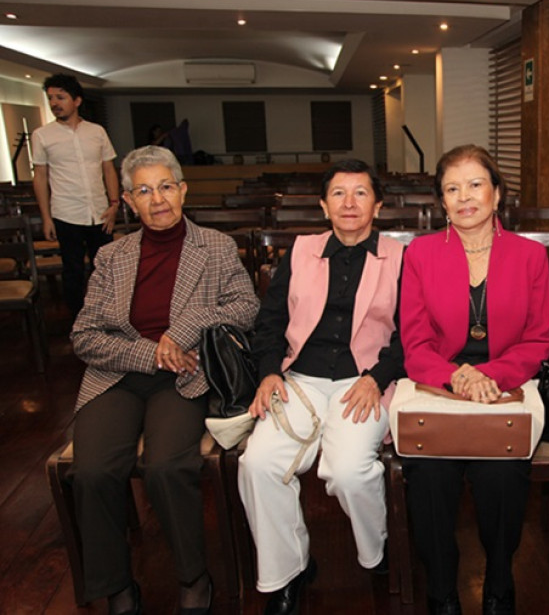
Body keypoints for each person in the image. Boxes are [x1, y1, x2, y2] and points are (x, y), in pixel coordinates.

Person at [69, 145, 259, 614]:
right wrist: (151, 352)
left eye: (166, 187)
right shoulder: (111, 256)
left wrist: (184, 329)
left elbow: (246, 307)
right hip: (117, 375)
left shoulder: (215, 246)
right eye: (144, 191)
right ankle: (117, 585)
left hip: (186, 376)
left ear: (183, 190)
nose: (158, 200)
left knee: (167, 468)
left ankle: (193, 577)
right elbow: (83, 336)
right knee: (92, 473)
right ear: (129, 201)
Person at [238, 159, 404, 615]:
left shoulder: (400, 257)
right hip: (299, 379)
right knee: (258, 463)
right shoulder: (300, 251)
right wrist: (269, 371)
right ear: (323, 205)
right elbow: (270, 321)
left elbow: (411, 334)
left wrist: (378, 378)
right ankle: (288, 571)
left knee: (348, 471)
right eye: (338, 194)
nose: (349, 203)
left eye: (361, 193)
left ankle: (377, 551)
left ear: (378, 206)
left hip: (364, 379)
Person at [399, 144, 549, 615]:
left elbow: (539, 338)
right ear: (441, 201)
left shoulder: (530, 255)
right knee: (427, 475)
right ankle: (442, 587)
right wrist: (458, 378)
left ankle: (499, 582)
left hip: (505, 384)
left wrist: (488, 376)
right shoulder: (421, 253)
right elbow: (415, 343)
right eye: (452, 188)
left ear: (497, 193)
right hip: (439, 385)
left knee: (504, 474)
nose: (464, 197)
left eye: (475, 184)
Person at [33, 73, 121, 319]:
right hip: (66, 212)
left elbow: (108, 169)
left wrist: (114, 204)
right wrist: (46, 218)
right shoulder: (42, 135)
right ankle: (78, 322)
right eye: (51, 98)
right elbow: (40, 177)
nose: (54, 103)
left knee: (104, 267)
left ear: (77, 100)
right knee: (72, 270)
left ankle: (108, 317)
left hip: (100, 212)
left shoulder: (97, 131)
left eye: (60, 97)